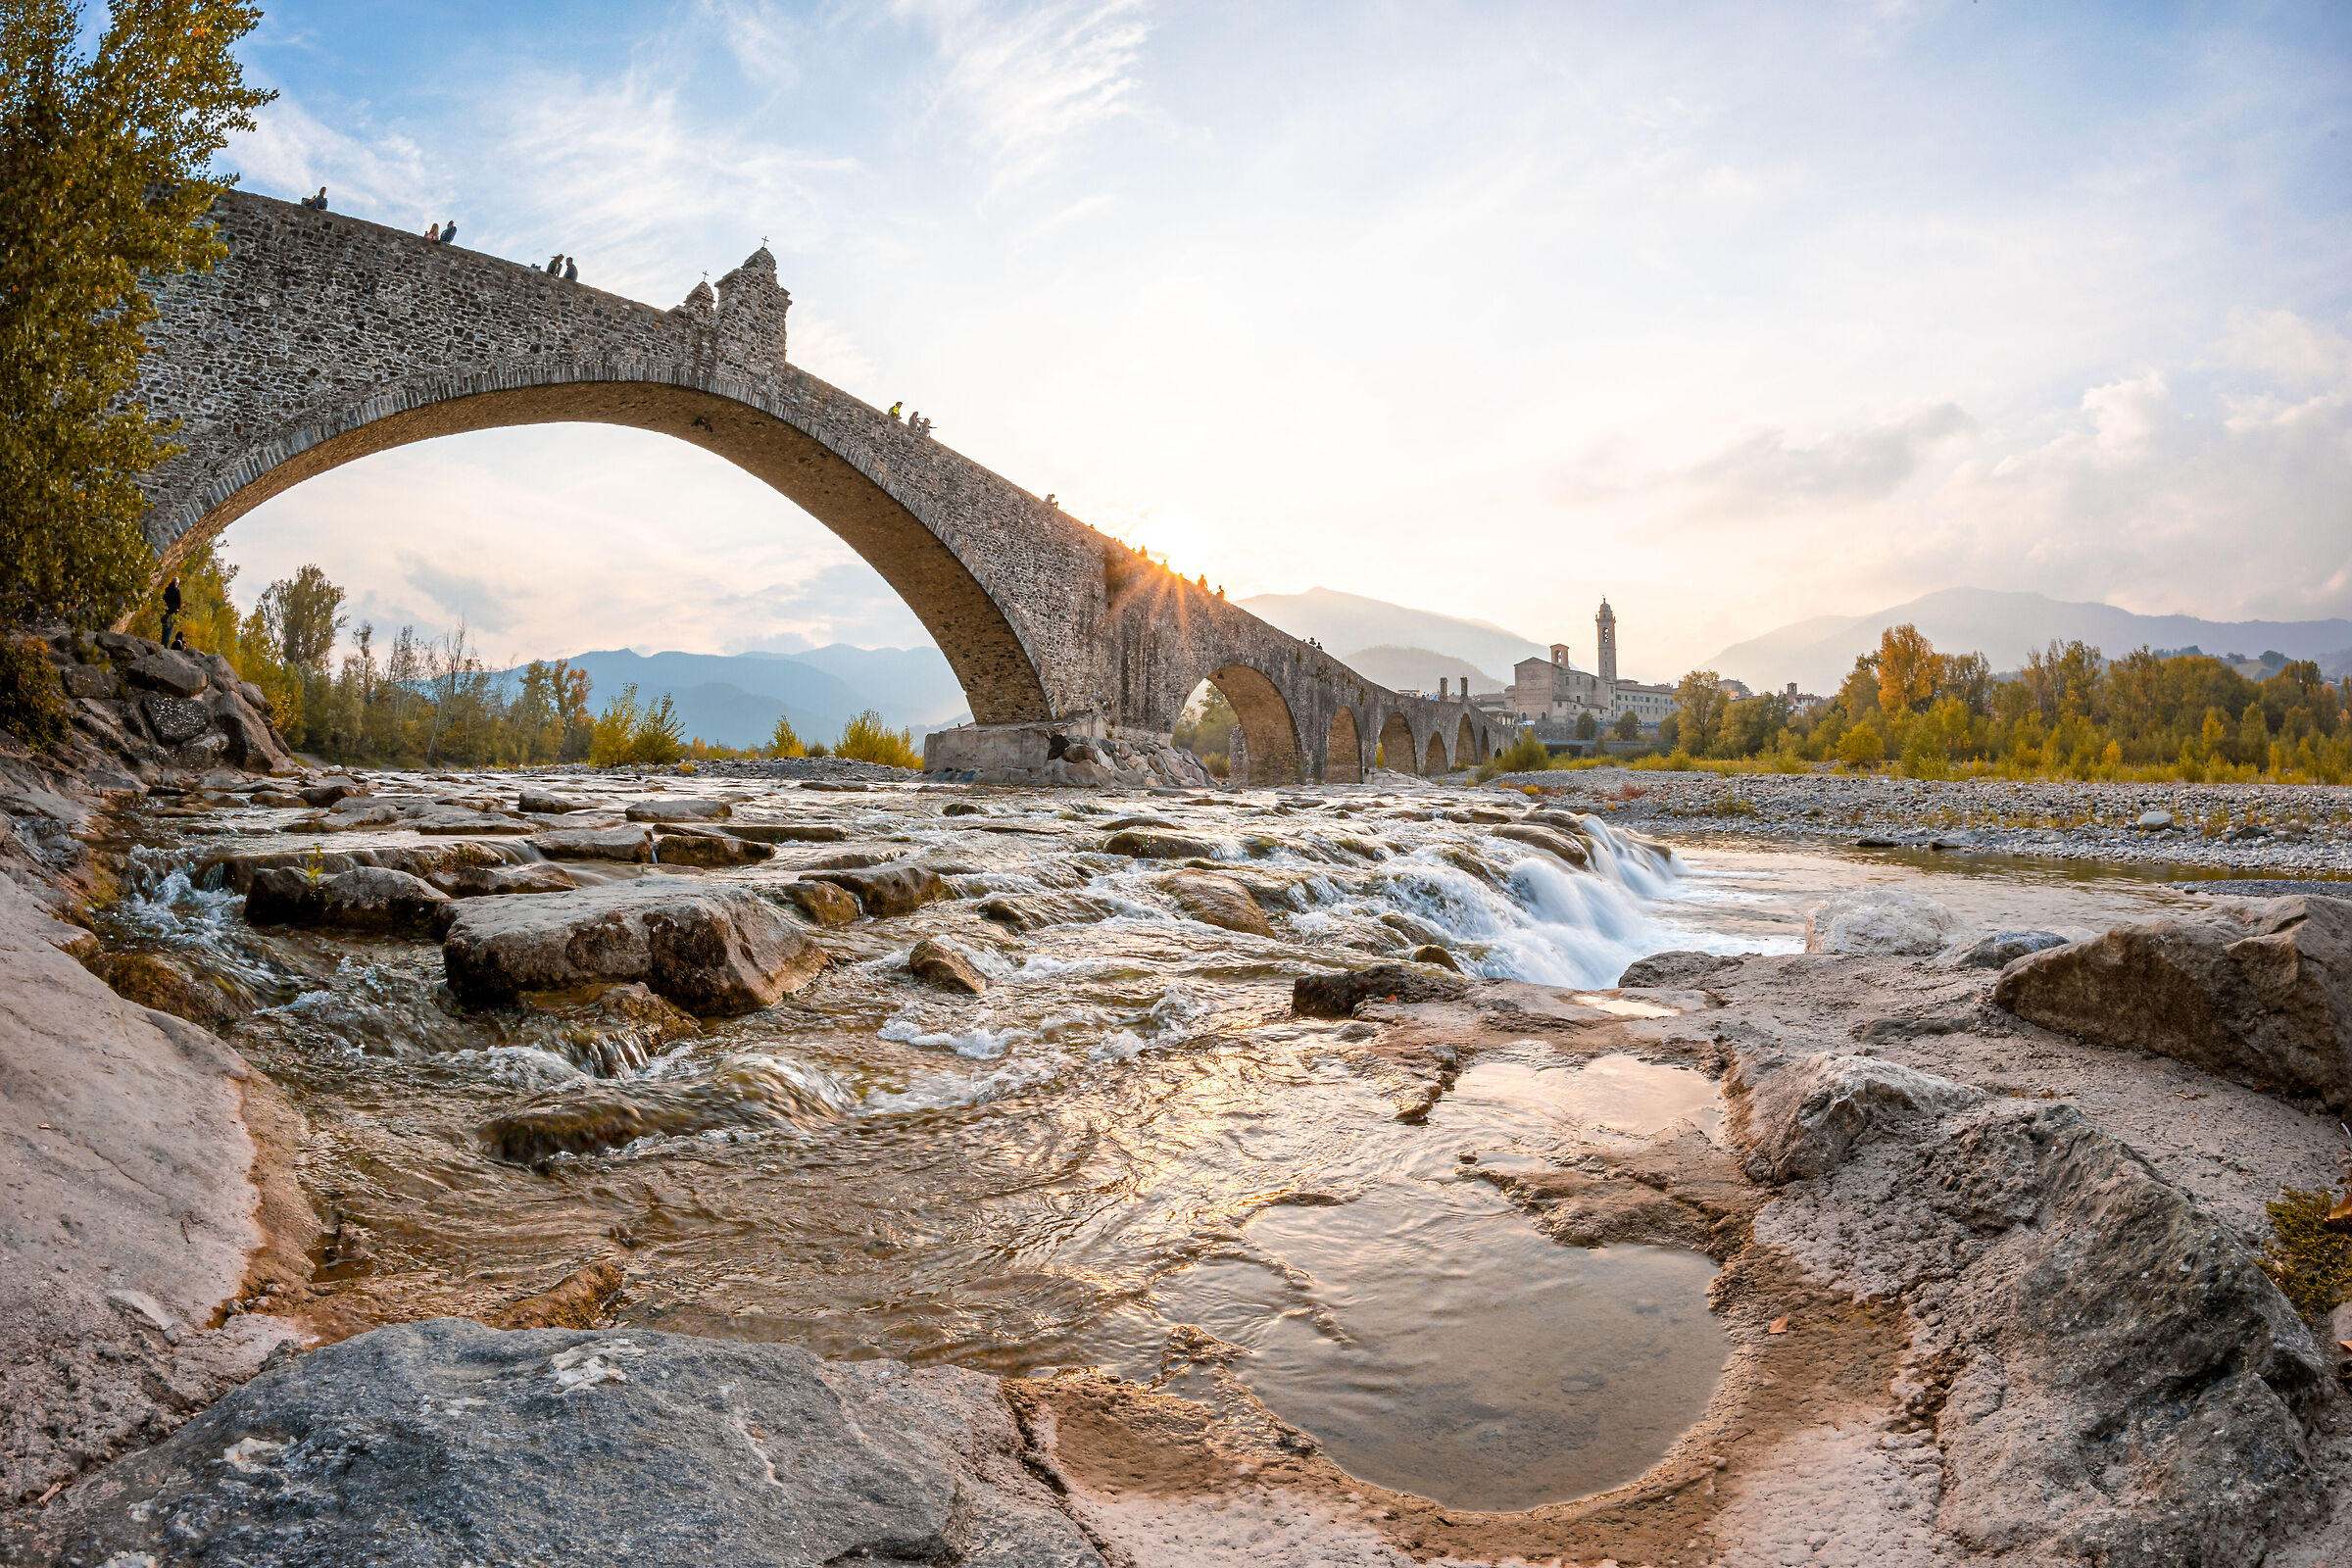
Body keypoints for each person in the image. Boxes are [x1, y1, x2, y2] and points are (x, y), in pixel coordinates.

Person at [160, 577, 181, 646]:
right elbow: (179, 603)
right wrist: (176, 610)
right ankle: (165, 646)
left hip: (165, 612)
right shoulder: (177, 591)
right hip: (171, 613)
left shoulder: (167, 590)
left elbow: (163, 599)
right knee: (169, 631)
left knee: (164, 630)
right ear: (176, 583)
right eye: (177, 583)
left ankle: (162, 644)